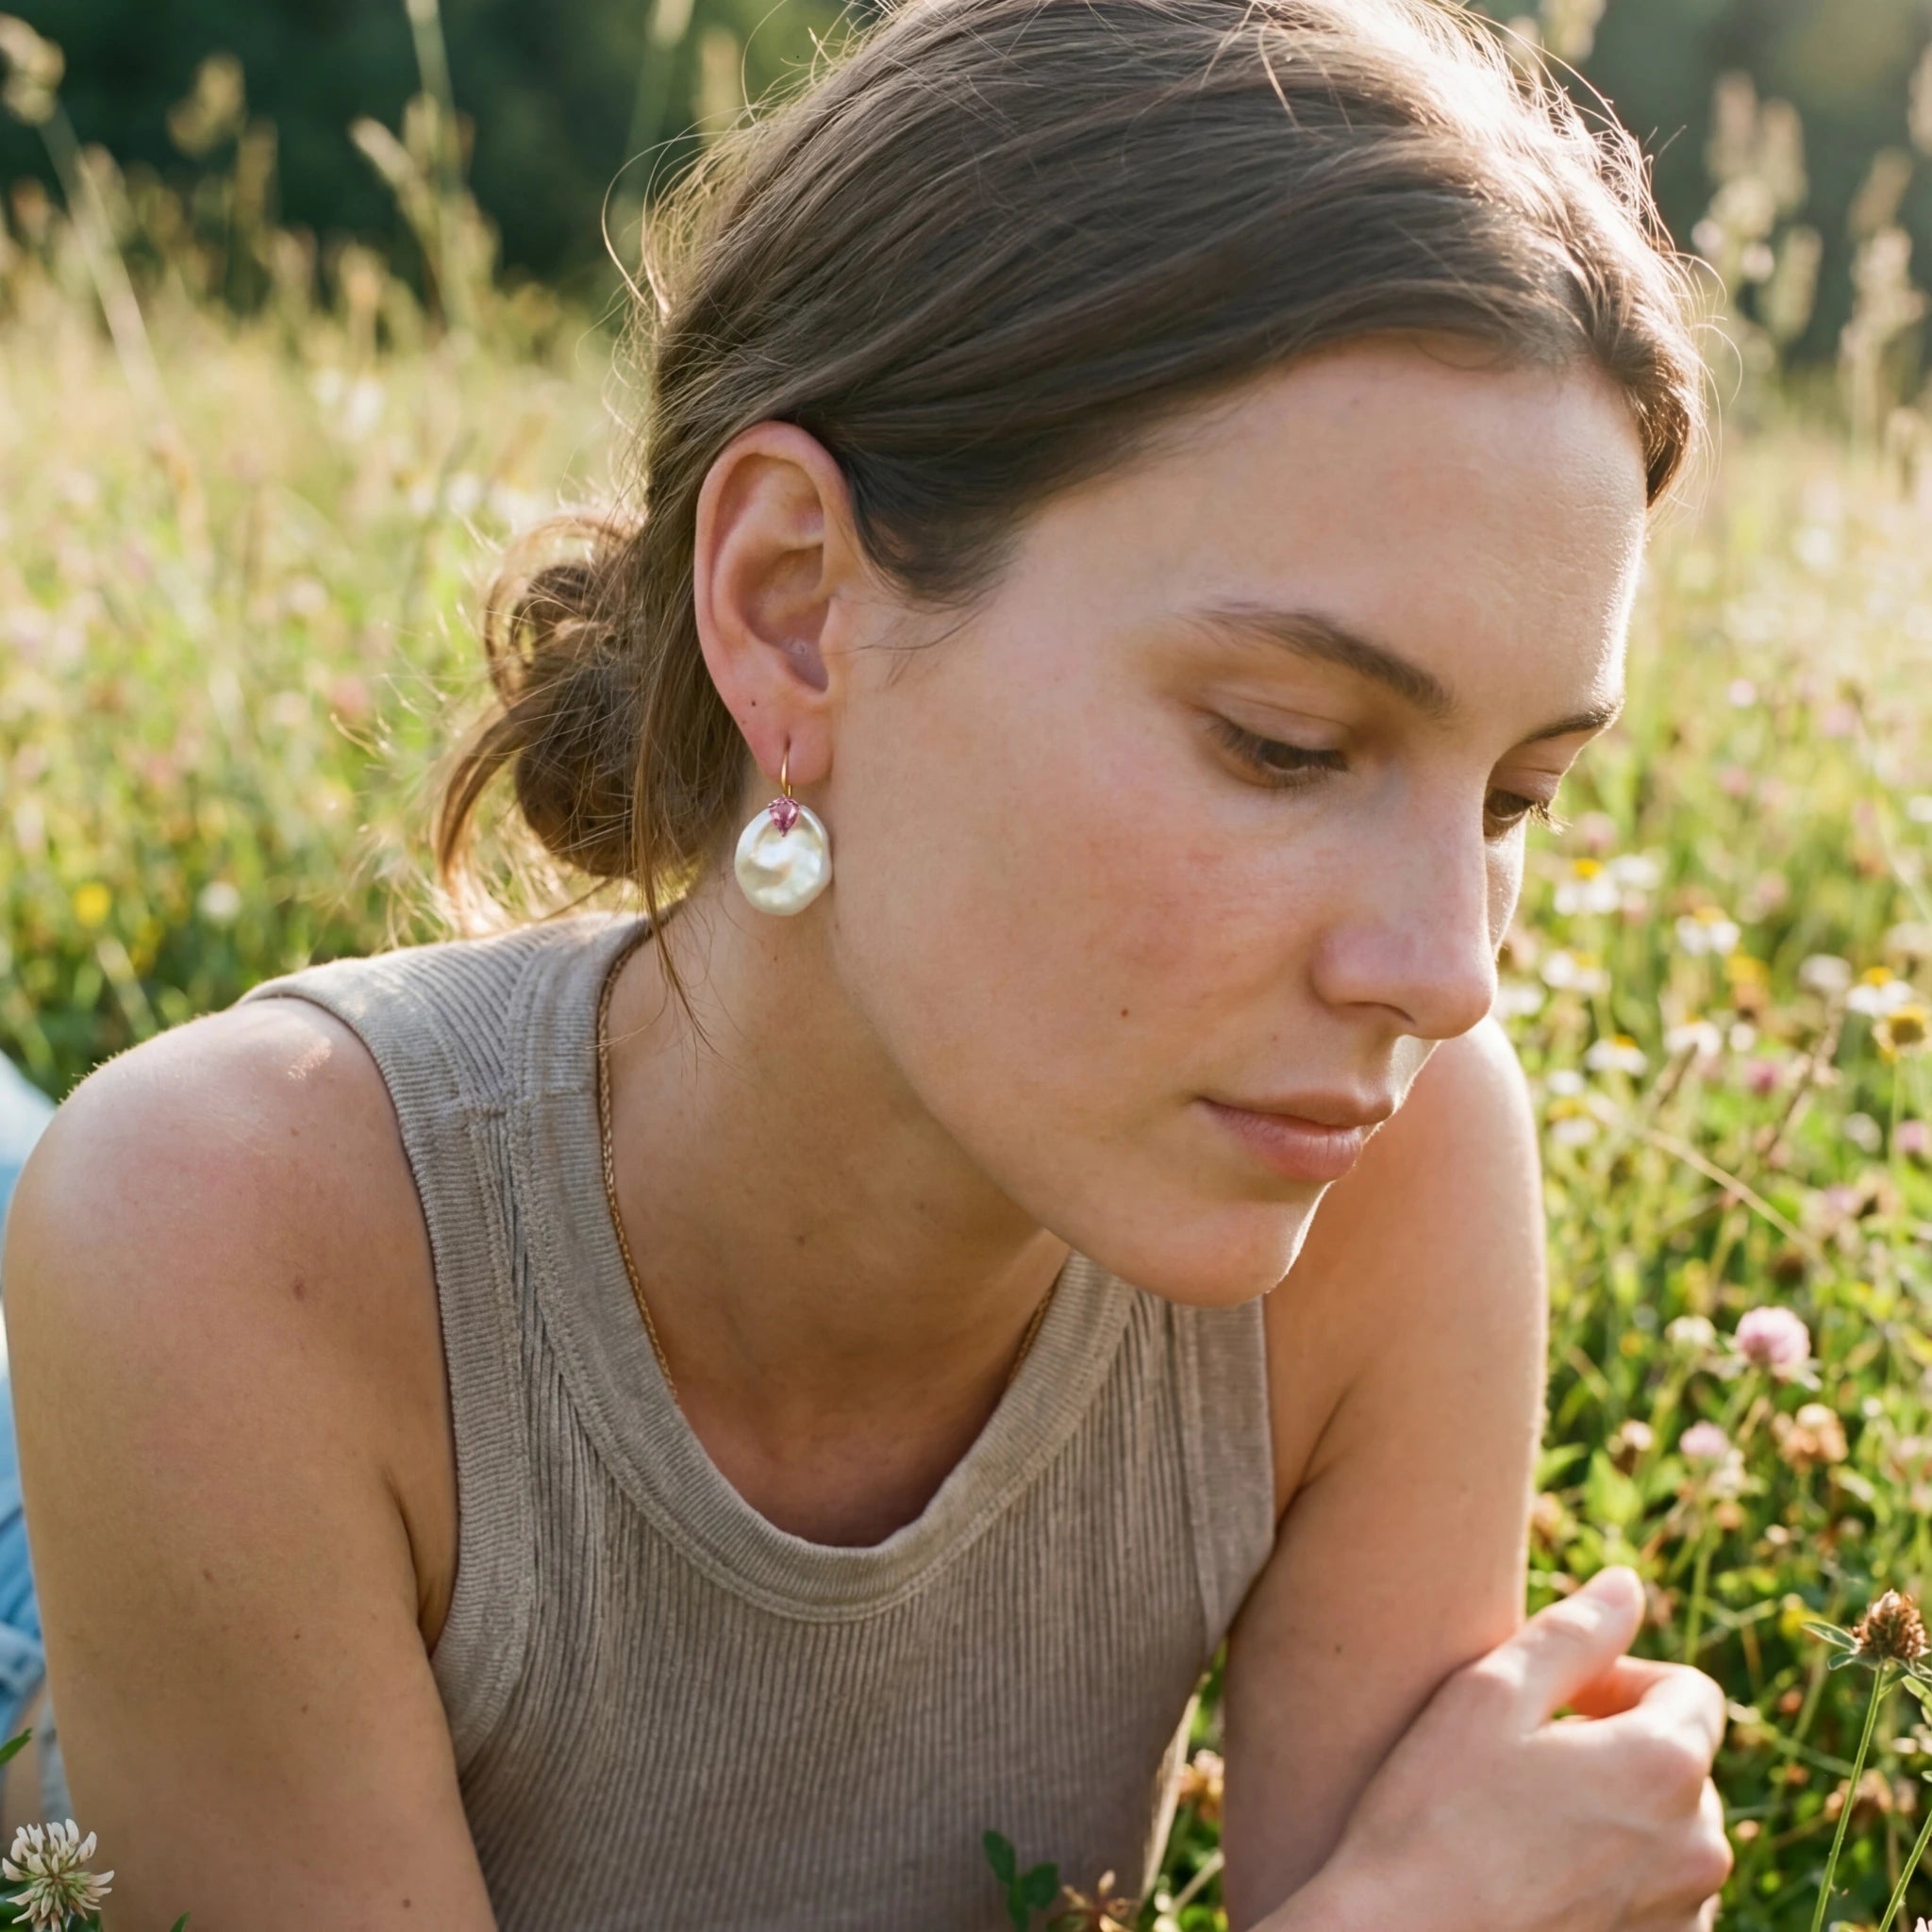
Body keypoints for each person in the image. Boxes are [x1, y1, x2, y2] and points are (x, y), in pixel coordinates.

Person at [0, 0, 1733, 1925]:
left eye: (1511, 795)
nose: (1441, 976)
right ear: (794, 613)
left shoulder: (1385, 1173)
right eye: (1283, 742)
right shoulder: (221, 1234)